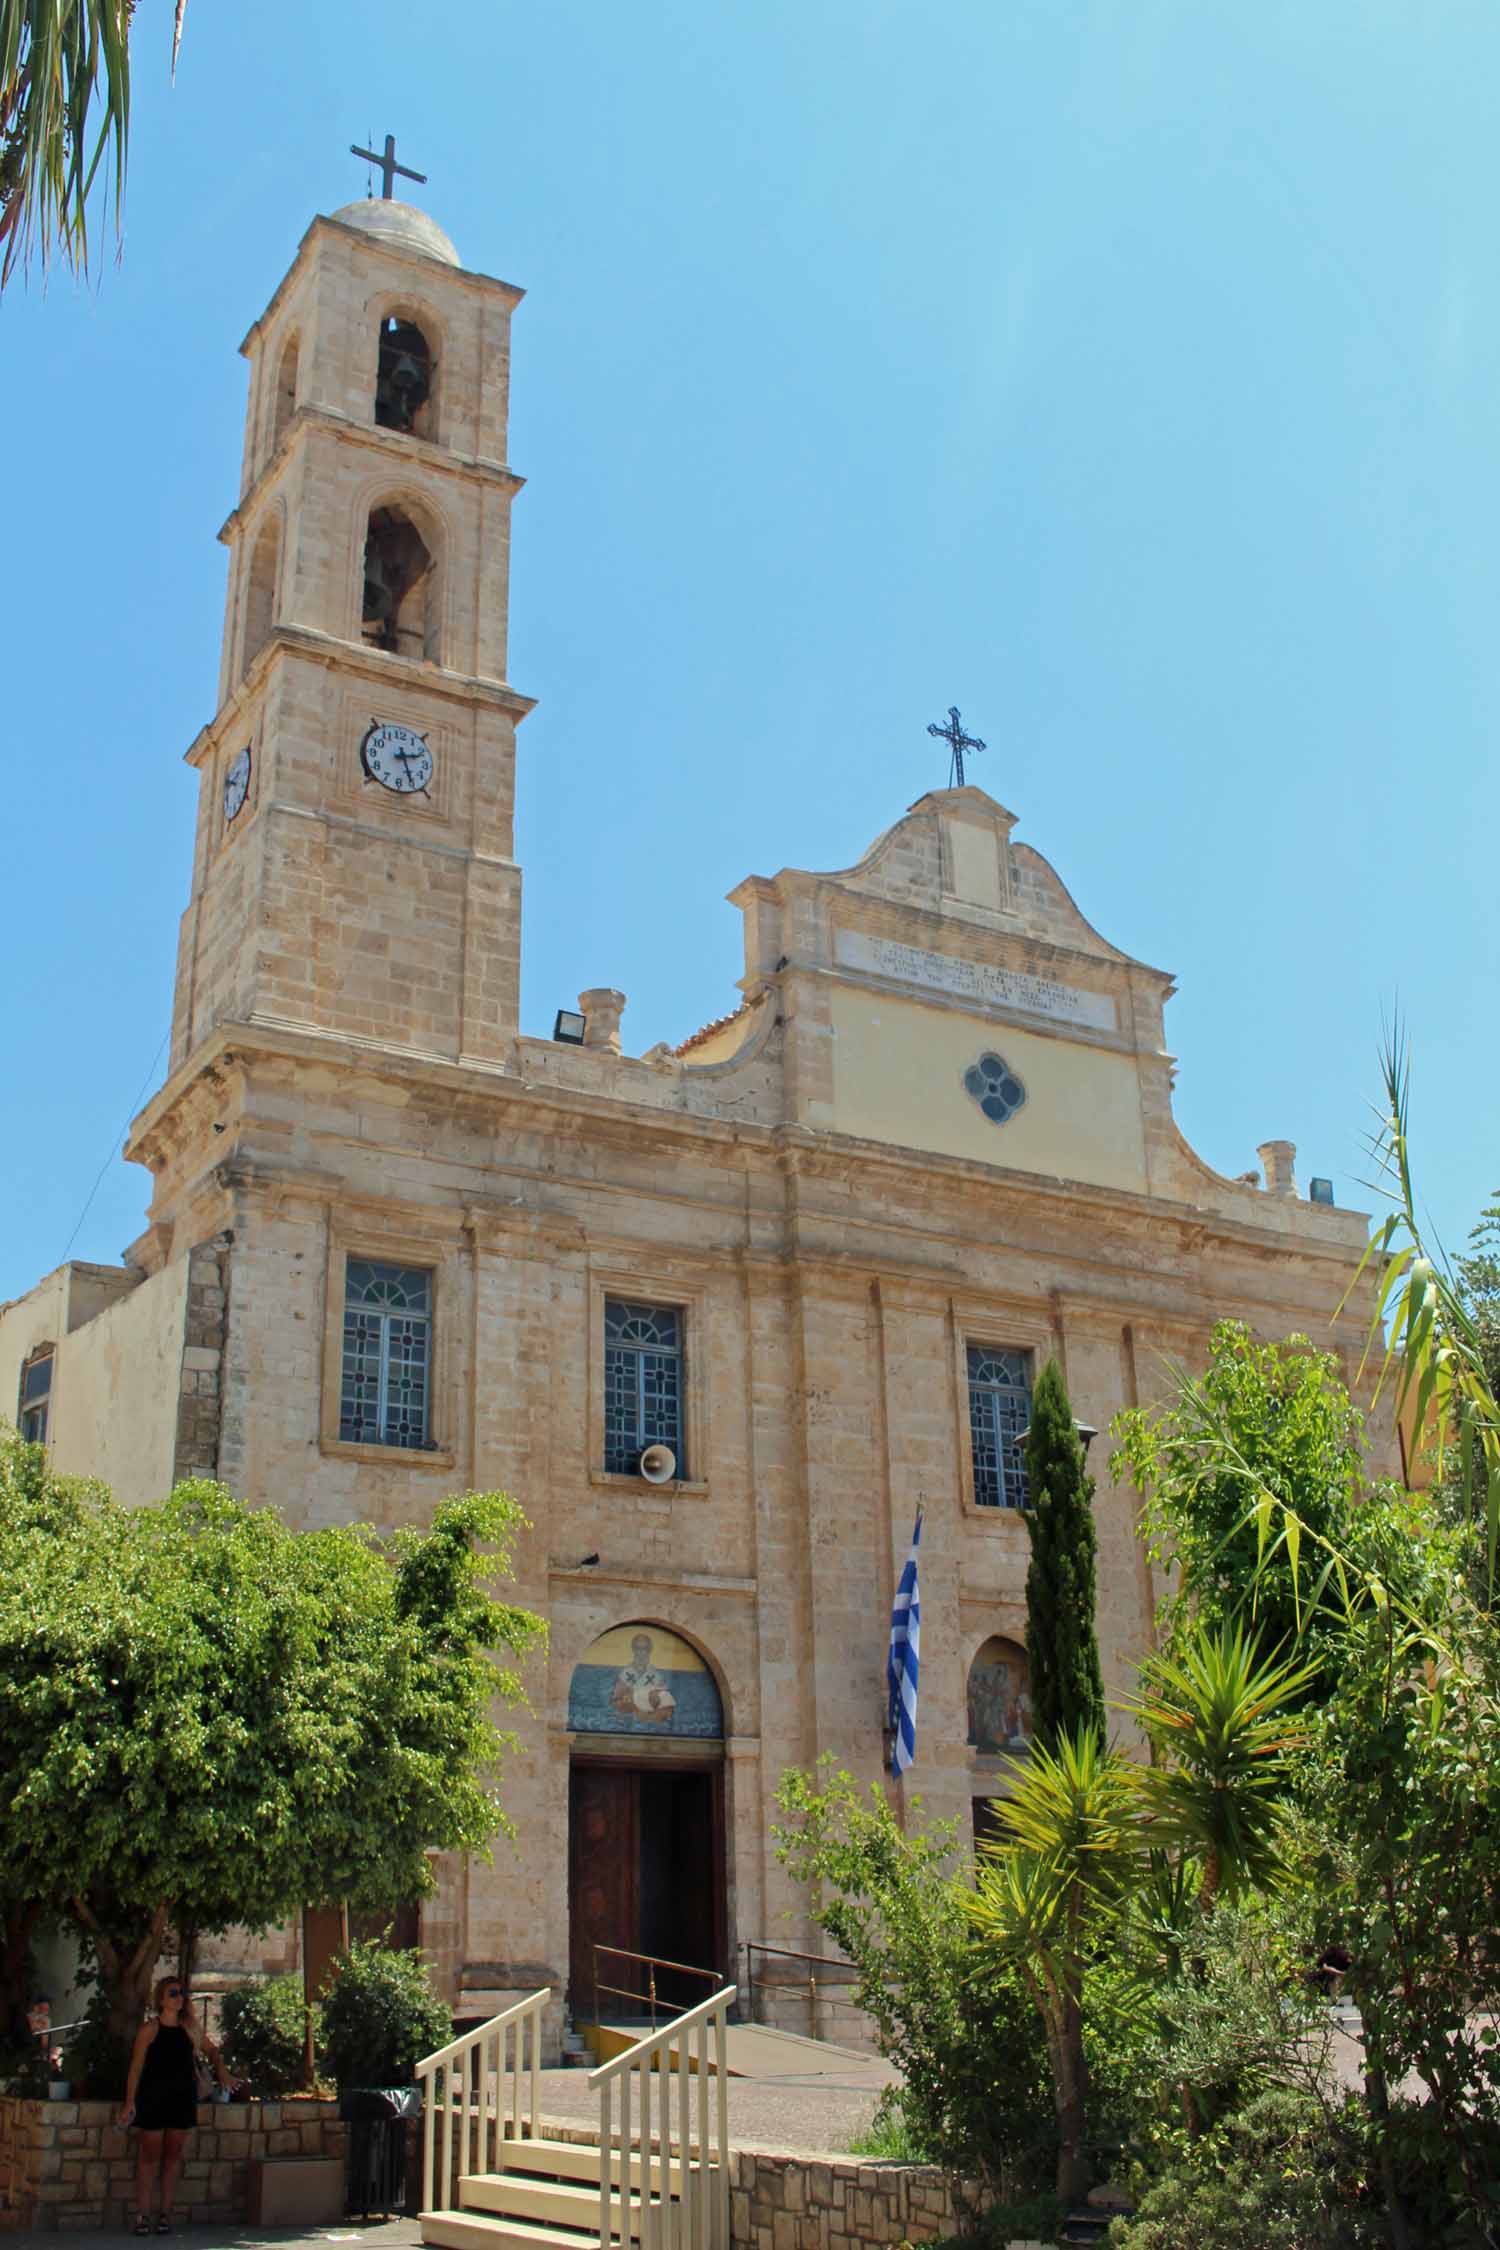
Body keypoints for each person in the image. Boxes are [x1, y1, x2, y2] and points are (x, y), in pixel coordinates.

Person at [119, 1978, 228, 2235]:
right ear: (161, 1999)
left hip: (181, 2098)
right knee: (148, 2157)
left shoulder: (189, 2027)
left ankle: (165, 2213)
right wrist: (129, 2102)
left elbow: (212, 2050)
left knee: (172, 2157)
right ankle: (142, 2215)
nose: (179, 1997)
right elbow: (136, 2067)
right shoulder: (150, 2029)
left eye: (182, 1993)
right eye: (173, 1993)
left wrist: (222, 2070)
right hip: (153, 2098)